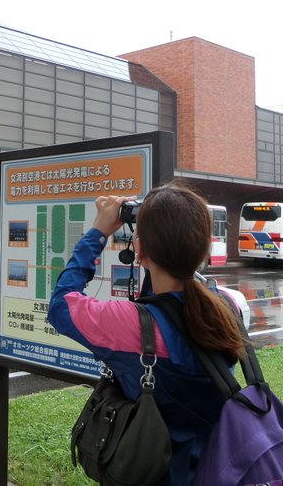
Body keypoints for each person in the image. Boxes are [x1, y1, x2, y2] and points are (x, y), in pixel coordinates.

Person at [47, 181, 246, 485]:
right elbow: (173, 296)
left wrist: (98, 232)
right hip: (215, 469)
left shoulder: (129, 324)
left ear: (139, 250)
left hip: (152, 472)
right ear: (204, 247)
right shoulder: (225, 306)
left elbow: (61, 306)